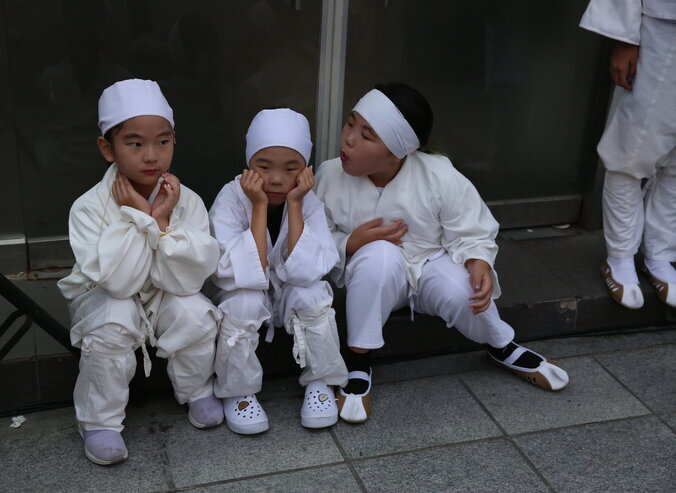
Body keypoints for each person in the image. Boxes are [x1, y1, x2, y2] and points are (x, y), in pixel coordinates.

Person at [314, 83, 569, 423]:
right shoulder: (329, 176)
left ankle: (500, 345)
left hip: (429, 263)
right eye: (350, 123)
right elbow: (314, 237)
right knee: (379, 256)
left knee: (463, 290)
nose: (348, 139)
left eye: (366, 135)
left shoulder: (437, 174)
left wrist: (478, 261)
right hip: (372, 275)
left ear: (396, 153)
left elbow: (471, 226)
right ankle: (358, 361)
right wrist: (351, 242)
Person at [57, 79, 223, 465]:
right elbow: (118, 283)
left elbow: (189, 279)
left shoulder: (187, 201)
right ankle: (99, 421)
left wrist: (161, 221)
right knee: (115, 318)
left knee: (195, 311)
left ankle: (197, 390)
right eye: (135, 144)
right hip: (105, 297)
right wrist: (139, 217)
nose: (152, 156)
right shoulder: (88, 208)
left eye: (163, 142)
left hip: (166, 289)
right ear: (107, 148)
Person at [208, 108, 348, 434]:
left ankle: (321, 382)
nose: (275, 179)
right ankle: (238, 391)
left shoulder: (307, 200)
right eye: (264, 166)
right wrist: (258, 206)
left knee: (313, 293)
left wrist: (295, 204)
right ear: (248, 164)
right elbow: (241, 272)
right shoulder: (231, 198)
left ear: (305, 170)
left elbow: (308, 270)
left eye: (290, 168)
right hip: (241, 295)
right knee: (244, 299)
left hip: (286, 296)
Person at [579, 0, 675, 309]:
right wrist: (625, 38)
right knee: (631, 150)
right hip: (664, 28)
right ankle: (619, 257)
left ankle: (660, 254)